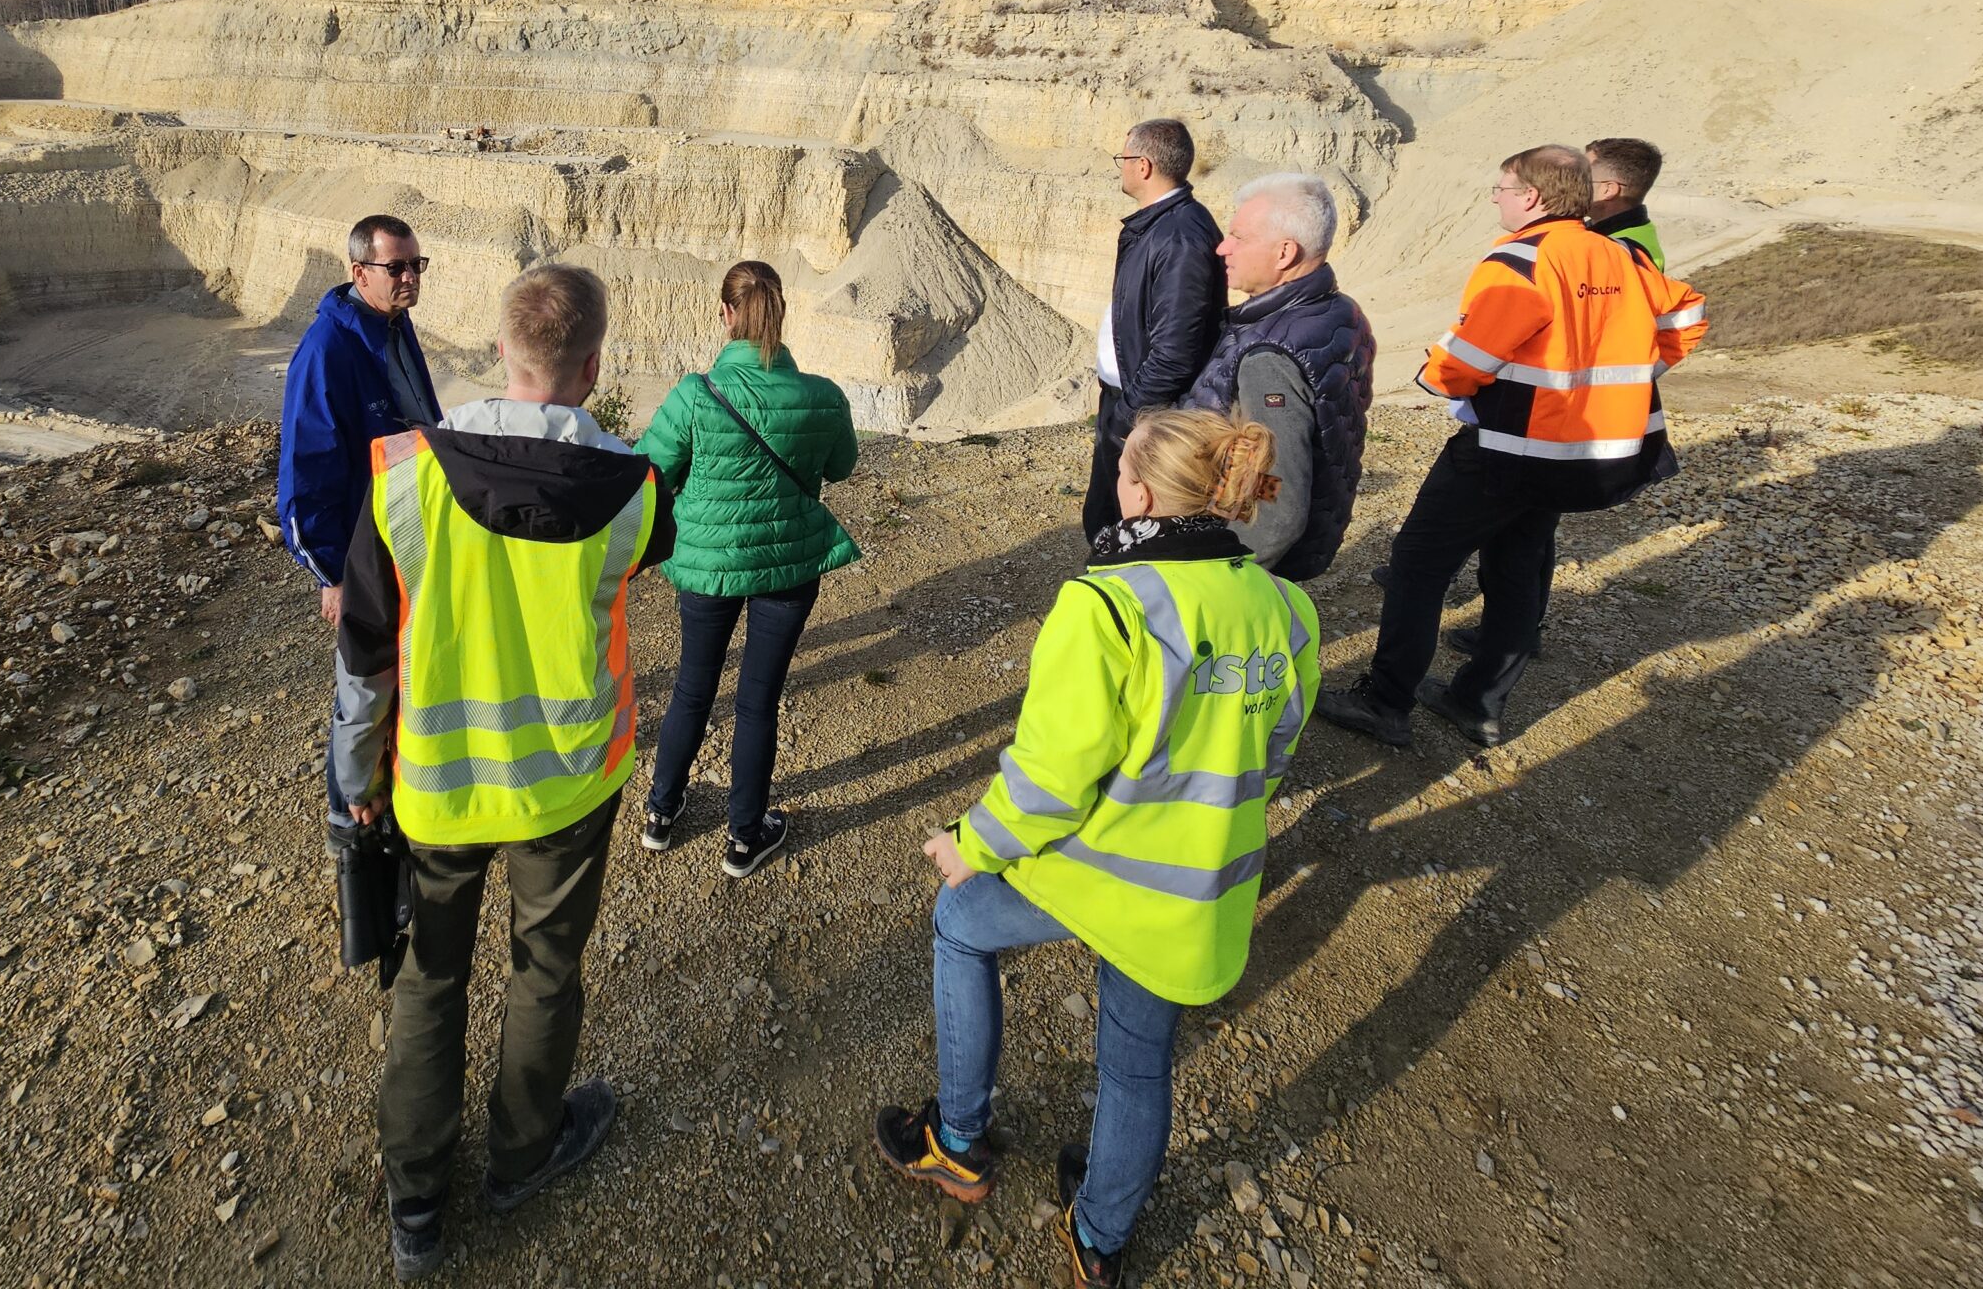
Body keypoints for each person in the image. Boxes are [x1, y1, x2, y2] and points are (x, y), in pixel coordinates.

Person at [876, 408, 1319, 1288]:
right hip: (1193, 892)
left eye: (1122, 471)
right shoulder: (1284, 607)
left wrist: (975, 843)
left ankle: (957, 1143)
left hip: (1094, 875)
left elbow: (1049, 777)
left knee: (959, 919)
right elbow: (1275, 757)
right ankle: (1100, 1238)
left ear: (1143, 493)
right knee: (1136, 1067)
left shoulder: (1109, 604)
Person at [329, 264, 675, 1281]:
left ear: (497, 351)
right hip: (568, 780)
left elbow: (361, 648)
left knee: (428, 982)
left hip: (435, 783)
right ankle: (523, 1154)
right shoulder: (633, 493)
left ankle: (417, 1207)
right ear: (594, 366)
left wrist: (355, 776)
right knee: (546, 971)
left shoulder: (403, 475)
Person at [1316, 146, 1708, 751]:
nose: (1495, 198)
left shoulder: (1520, 259)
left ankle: (1385, 702)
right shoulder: (1623, 255)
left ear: (1531, 197)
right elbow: (1686, 317)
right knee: (1520, 566)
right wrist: (1635, 373)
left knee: (1418, 566)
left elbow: (1465, 362)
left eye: (1501, 188)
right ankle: (1478, 703)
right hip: (1580, 452)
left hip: (1505, 450)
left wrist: (1437, 378)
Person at [635, 261, 860, 878]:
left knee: (692, 686)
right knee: (758, 699)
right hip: (788, 566)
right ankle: (744, 836)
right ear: (780, 314)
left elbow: (649, 472)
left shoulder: (693, 396)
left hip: (707, 568)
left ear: (726, 315)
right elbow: (842, 467)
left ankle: (660, 812)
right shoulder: (821, 396)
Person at [1185, 172, 1375, 579]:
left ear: (1285, 253)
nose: (1223, 248)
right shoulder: (1338, 310)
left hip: (1242, 554)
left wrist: (1231, 575)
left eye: (1239, 237)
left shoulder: (1269, 357)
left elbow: (1275, 493)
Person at [279, 214, 443, 633]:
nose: (410, 276)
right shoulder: (326, 351)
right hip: (366, 552)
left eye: (416, 264)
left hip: (410, 533)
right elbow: (306, 472)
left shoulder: (392, 322)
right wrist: (332, 575)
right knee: (366, 682)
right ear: (360, 273)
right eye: (395, 267)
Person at [1084, 118, 1224, 542]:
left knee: (1132, 525)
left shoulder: (1179, 238)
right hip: (1130, 402)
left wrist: (1128, 415)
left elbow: (1175, 353)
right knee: (1104, 516)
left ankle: (1127, 602)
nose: (1120, 167)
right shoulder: (1160, 226)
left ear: (1143, 166)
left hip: (1147, 412)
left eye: (1123, 159)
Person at [1585, 137, 1668, 269]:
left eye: (1580, 177)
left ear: (1608, 190)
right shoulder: (1634, 232)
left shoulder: (1624, 253)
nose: (1570, 183)